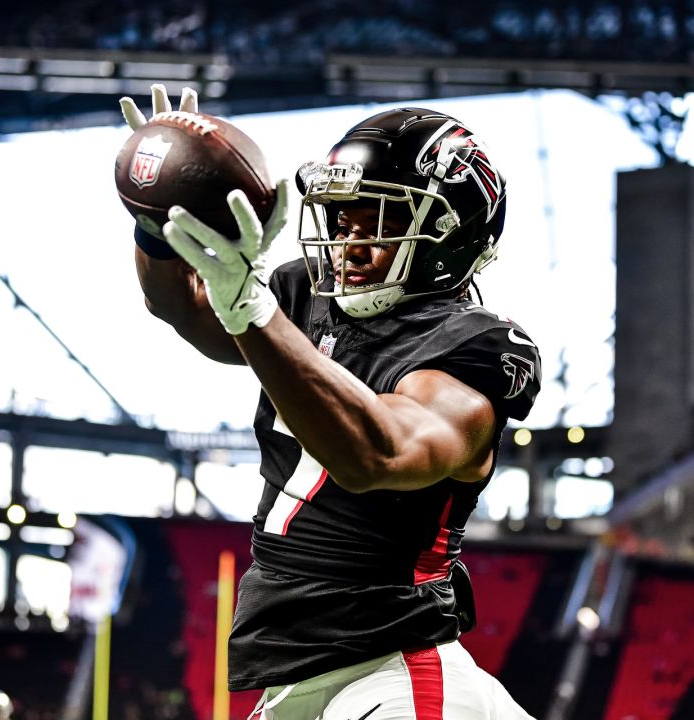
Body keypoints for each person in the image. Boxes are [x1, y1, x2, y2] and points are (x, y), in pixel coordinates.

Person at [123, 86, 542, 719]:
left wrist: (254, 308)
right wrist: (157, 224)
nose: (349, 241)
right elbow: (181, 307)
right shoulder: (304, 296)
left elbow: (377, 453)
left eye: (379, 220)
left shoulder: (474, 347)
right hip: (299, 674)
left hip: (393, 670)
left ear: (450, 236)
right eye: (342, 217)